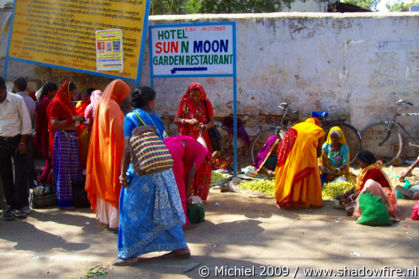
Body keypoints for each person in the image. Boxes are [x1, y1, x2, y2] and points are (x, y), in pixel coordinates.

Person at [115, 87, 189, 265]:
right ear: (150, 101)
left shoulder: (130, 118)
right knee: (164, 210)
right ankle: (180, 247)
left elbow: (128, 148)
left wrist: (123, 173)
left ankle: (130, 253)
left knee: (130, 210)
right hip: (161, 170)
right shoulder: (155, 119)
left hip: (142, 171)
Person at [85, 80, 130, 230]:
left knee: (105, 182)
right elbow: (119, 131)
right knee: (114, 183)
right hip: (113, 150)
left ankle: (106, 217)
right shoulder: (112, 106)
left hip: (103, 150)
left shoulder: (103, 104)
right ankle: (115, 221)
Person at [173, 82, 214, 201]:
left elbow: (212, 121)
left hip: (202, 139)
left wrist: (205, 126)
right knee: (189, 165)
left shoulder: (206, 103)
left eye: (197, 96)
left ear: (201, 95)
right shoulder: (184, 103)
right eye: (192, 96)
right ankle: (188, 195)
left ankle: (200, 197)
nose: (195, 98)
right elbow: (176, 119)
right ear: (188, 94)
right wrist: (187, 121)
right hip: (187, 140)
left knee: (203, 165)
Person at [0, 76, 32, 220]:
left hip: (17, 140)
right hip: (1, 141)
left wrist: (23, 142)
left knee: (19, 174)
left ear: (4, 89)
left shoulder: (16, 100)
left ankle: (22, 204)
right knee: (5, 174)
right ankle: (10, 205)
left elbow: (26, 120)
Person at [274, 117, 325, 208]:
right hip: (308, 157)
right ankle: (306, 199)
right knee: (307, 176)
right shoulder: (317, 130)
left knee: (292, 173)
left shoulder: (297, 126)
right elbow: (318, 151)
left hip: (292, 156)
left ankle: (291, 198)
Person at [48, 80, 83, 208]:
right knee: (64, 170)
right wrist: (71, 119)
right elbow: (54, 124)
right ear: (64, 92)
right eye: (70, 95)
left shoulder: (67, 104)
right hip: (63, 138)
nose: (72, 97)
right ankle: (64, 201)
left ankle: (76, 198)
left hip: (71, 138)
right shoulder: (56, 104)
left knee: (74, 170)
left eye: (73, 95)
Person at [337, 151, 398, 220]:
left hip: (383, 196)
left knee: (354, 208)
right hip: (373, 194)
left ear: (366, 162)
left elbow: (364, 189)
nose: (359, 165)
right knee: (350, 208)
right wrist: (346, 195)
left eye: (360, 163)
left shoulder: (374, 171)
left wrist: (349, 199)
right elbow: (358, 186)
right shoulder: (366, 170)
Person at [164, 135, 209, 227]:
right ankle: (183, 221)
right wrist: (187, 194)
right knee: (179, 187)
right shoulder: (203, 153)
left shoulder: (194, 147)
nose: (202, 164)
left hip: (166, 146)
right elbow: (190, 175)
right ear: (207, 159)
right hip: (175, 150)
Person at [14, 77, 37, 191]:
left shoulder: (15, 100)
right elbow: (31, 117)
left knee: (17, 164)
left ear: (15, 87)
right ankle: (31, 185)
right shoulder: (30, 101)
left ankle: (21, 188)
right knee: (28, 161)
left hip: (16, 134)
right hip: (27, 133)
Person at [33, 82, 58, 184]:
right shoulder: (47, 102)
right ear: (49, 91)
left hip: (44, 132)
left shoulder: (43, 101)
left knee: (49, 160)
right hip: (47, 134)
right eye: (54, 92)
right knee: (50, 160)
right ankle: (43, 180)